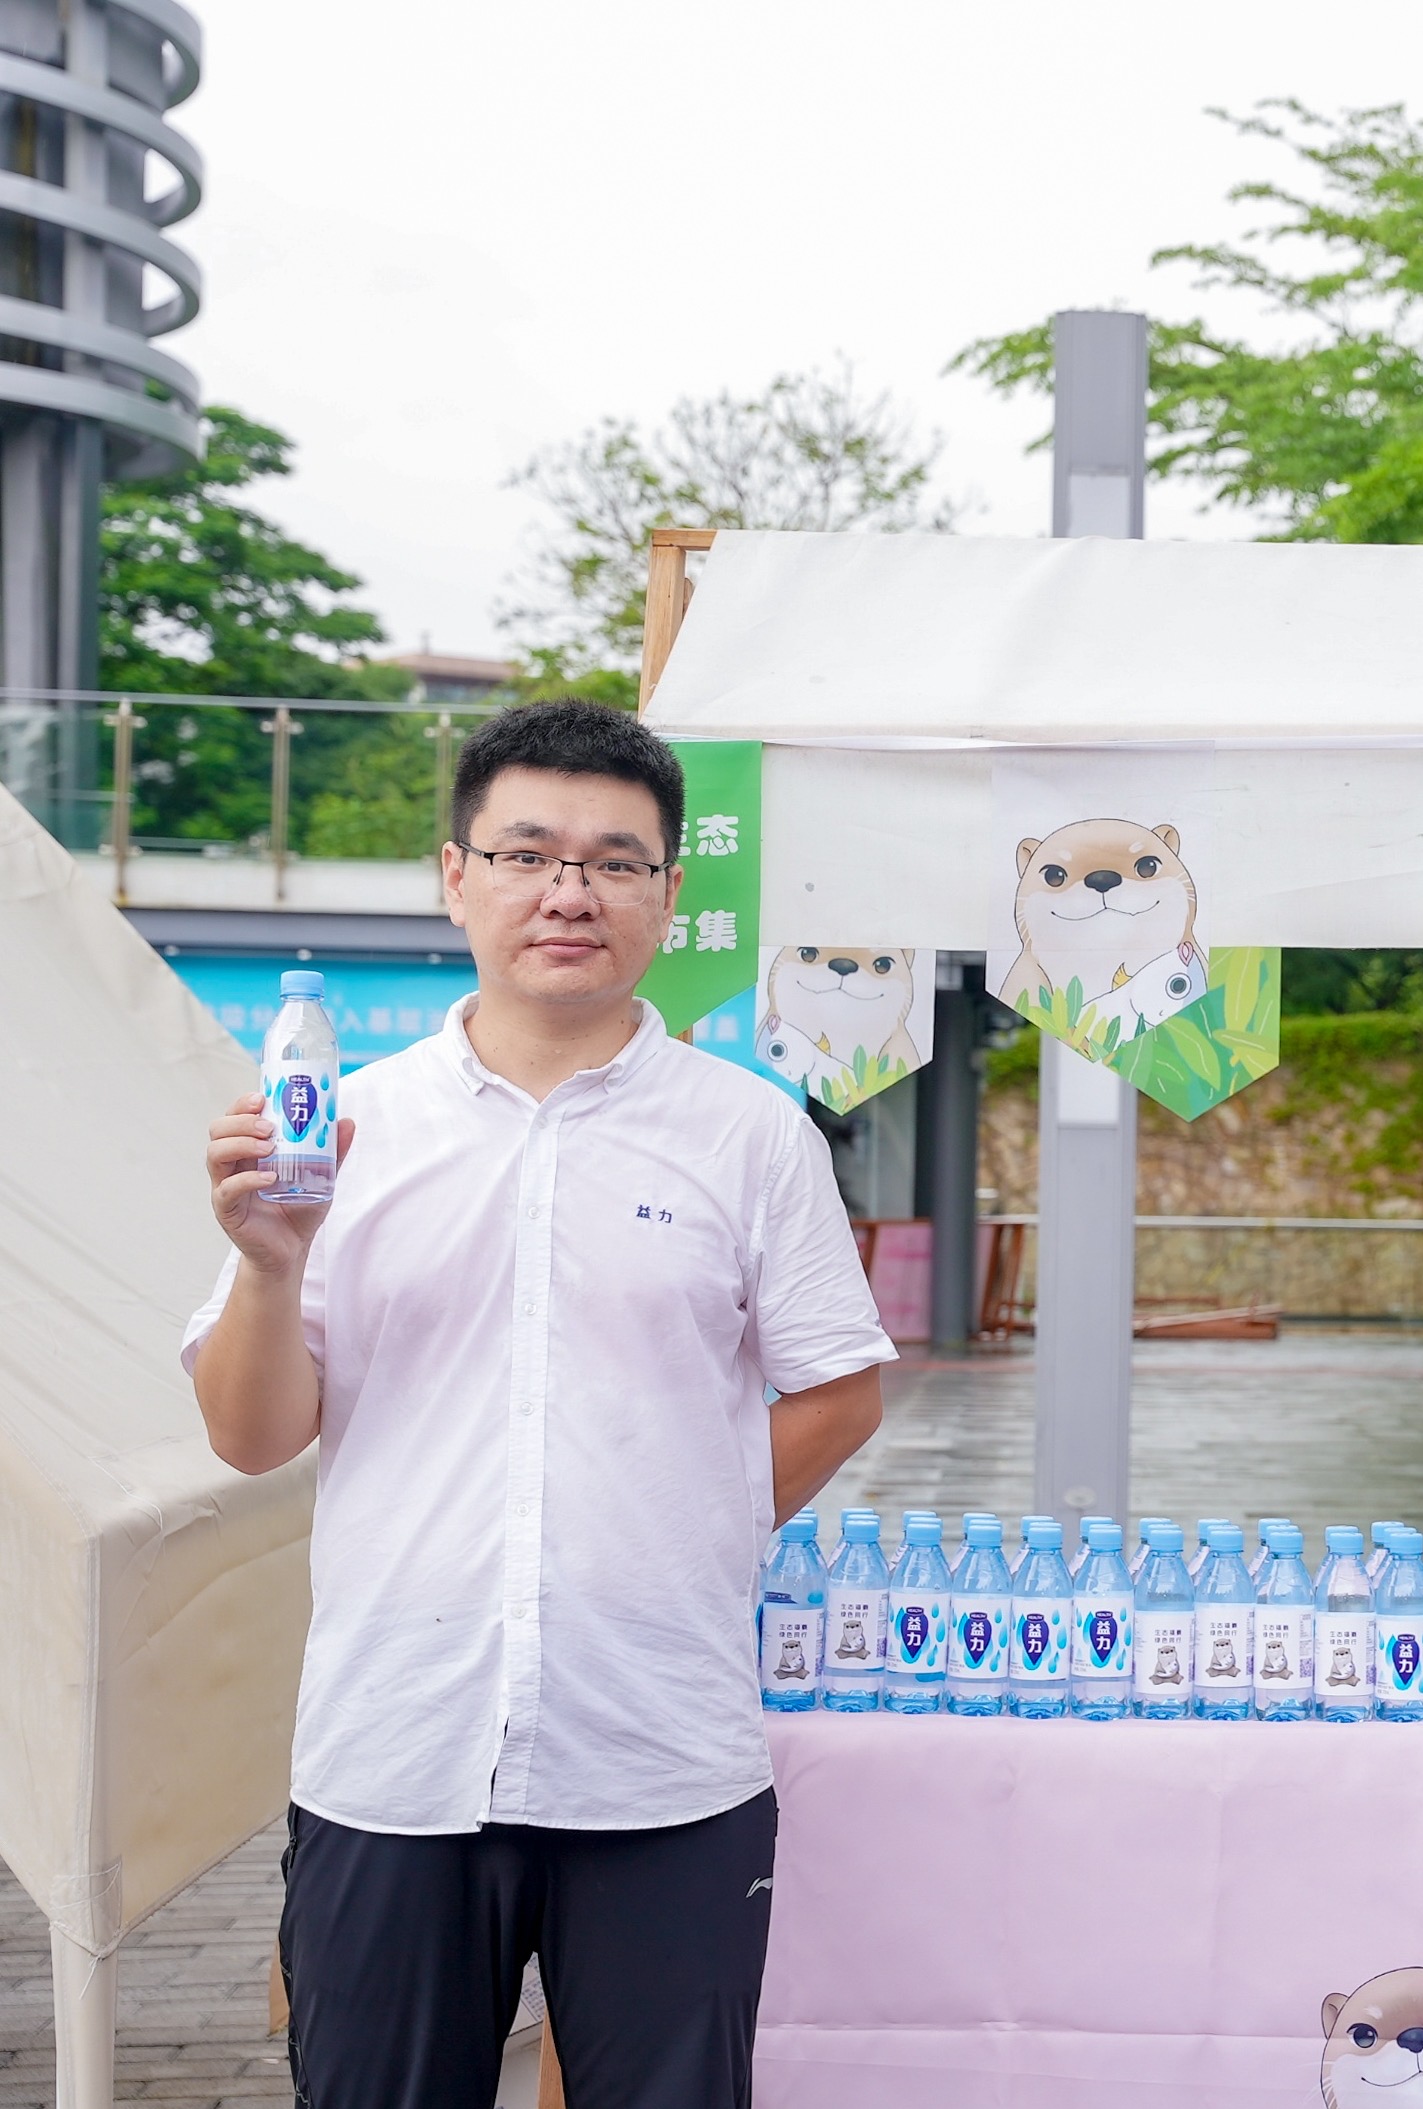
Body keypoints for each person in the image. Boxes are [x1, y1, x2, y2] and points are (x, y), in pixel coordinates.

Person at [184, 701, 893, 2107]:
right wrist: (272, 1266)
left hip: (661, 1758)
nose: (570, 889)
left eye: (617, 861)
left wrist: (684, 1520)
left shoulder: (749, 1132)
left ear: (669, 895)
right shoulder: (340, 1128)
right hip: (393, 1748)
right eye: (527, 851)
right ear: (457, 875)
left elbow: (841, 1386)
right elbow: (251, 1433)